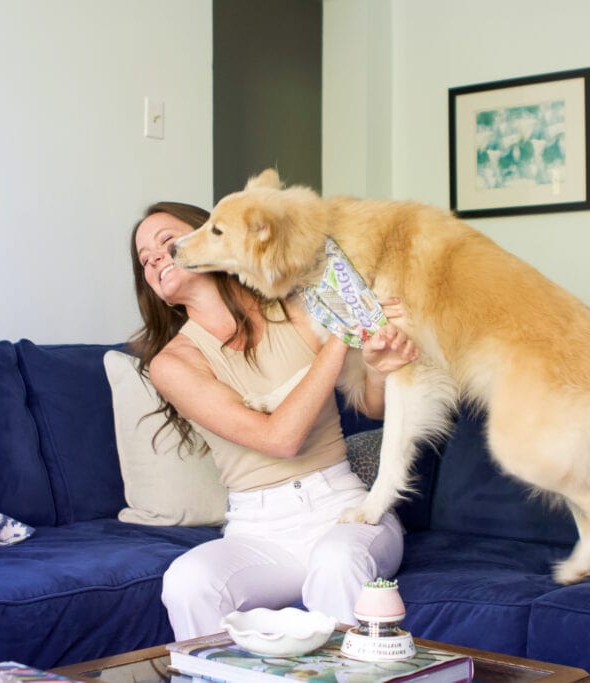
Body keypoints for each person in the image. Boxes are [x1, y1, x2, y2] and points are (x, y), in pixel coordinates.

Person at [130, 201, 418, 641]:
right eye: (144, 259)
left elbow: (373, 407)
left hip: (340, 509)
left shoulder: (296, 307)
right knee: (187, 582)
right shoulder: (173, 364)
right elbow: (279, 438)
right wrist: (344, 336)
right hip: (257, 530)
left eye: (166, 243)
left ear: (211, 238)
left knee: (336, 563)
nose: (153, 259)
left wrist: (381, 361)